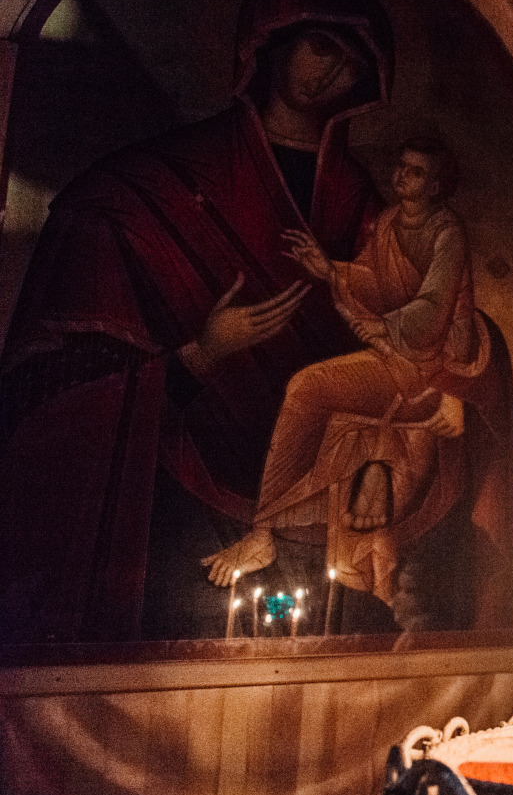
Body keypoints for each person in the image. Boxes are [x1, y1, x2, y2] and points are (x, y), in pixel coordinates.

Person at [0, 0, 395, 643]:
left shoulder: (362, 205)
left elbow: (399, 345)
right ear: (270, 44)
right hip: (178, 491)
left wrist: (380, 461)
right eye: (323, 49)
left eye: (354, 65)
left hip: (317, 496)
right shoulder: (150, 186)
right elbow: (46, 390)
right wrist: (199, 356)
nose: (333, 75)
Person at [201, 138, 491, 607]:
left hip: (425, 368)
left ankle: (262, 534)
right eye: (400, 165)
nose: (401, 175)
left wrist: (381, 329)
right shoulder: (392, 221)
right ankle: (264, 533)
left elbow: (435, 309)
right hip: (395, 356)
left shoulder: (447, 234)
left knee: (309, 387)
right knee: (307, 387)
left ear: (436, 185)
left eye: (415, 171)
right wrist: (330, 270)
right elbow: (375, 281)